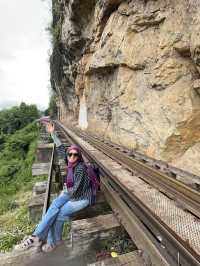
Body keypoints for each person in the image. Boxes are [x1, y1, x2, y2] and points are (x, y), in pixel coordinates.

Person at [14, 122, 94, 252]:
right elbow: (61, 148)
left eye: (75, 155)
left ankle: (52, 242)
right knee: (54, 208)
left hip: (82, 197)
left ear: (79, 157)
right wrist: (52, 133)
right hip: (71, 192)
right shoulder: (69, 162)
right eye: (70, 154)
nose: (72, 156)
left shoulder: (80, 169)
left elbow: (76, 191)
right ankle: (37, 237)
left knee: (58, 211)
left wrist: (64, 192)